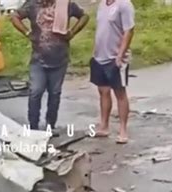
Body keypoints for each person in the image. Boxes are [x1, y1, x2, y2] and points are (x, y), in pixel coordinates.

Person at [11, 0, 89, 131]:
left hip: (59, 58)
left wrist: (73, 32)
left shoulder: (65, 4)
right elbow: (14, 17)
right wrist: (26, 32)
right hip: (38, 59)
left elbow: (84, 16)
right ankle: (33, 127)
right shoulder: (32, 4)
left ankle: (50, 126)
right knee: (35, 91)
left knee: (55, 93)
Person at [91, 0, 135, 144]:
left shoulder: (124, 4)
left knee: (120, 93)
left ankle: (123, 130)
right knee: (103, 91)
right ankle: (104, 126)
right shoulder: (103, 3)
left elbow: (129, 30)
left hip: (115, 57)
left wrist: (120, 54)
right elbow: (101, 29)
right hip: (100, 56)